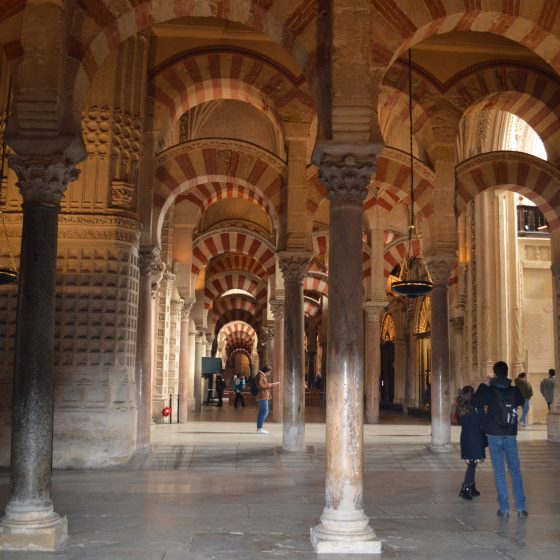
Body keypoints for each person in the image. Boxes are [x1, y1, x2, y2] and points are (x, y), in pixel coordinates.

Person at [473, 361, 527, 519]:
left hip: (494, 434)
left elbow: (476, 402)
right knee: (515, 470)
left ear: (495, 373)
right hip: (510, 433)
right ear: (507, 372)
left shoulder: (489, 390)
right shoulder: (514, 390)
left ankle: (504, 509)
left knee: (499, 471)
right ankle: (521, 508)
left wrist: (484, 384)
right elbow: (522, 402)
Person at [455, 386, 486, 500]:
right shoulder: (477, 408)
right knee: (472, 465)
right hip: (475, 438)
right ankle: (466, 489)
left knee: (472, 463)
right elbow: (484, 421)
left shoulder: (461, 407)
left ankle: (471, 486)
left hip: (465, 437)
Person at [255, 365, 277, 434]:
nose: (270, 373)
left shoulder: (262, 375)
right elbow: (260, 385)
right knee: (265, 412)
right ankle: (260, 428)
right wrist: (270, 385)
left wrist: (270, 385)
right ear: (266, 371)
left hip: (263, 395)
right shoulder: (261, 375)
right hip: (262, 396)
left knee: (262, 412)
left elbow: (262, 385)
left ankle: (259, 428)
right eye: (269, 371)